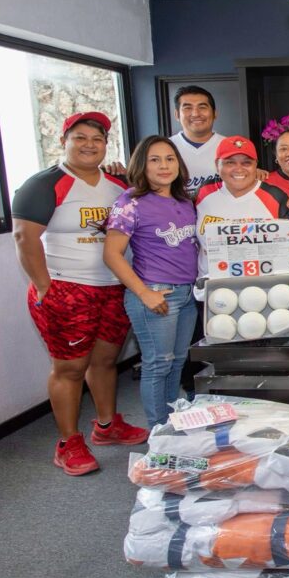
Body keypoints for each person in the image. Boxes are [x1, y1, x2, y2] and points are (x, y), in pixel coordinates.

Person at [11, 111, 148, 476]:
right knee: (70, 368)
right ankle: (68, 442)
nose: (89, 145)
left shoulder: (117, 184)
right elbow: (24, 237)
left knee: (105, 360)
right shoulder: (45, 183)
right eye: (80, 137)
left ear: (106, 145)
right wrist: (43, 284)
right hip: (67, 287)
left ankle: (107, 425)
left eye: (97, 139)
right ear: (64, 141)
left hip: (112, 287)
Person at [103, 136, 199, 427]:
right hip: (156, 294)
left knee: (176, 362)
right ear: (141, 165)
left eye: (170, 158)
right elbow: (112, 254)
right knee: (158, 364)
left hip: (187, 295)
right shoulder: (130, 202)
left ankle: (171, 425)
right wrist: (144, 293)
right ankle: (160, 433)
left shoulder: (184, 200)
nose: (164, 165)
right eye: (154, 159)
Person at [194, 136, 289, 299]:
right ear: (217, 165)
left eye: (246, 162)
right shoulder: (203, 192)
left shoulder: (275, 196)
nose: (238, 169)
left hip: (265, 292)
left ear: (256, 165)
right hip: (211, 292)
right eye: (230, 162)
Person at [170, 86, 226, 198]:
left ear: (215, 113)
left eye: (202, 107)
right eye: (187, 108)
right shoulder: (165, 147)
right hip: (177, 214)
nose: (195, 114)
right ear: (177, 115)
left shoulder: (230, 145)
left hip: (222, 213)